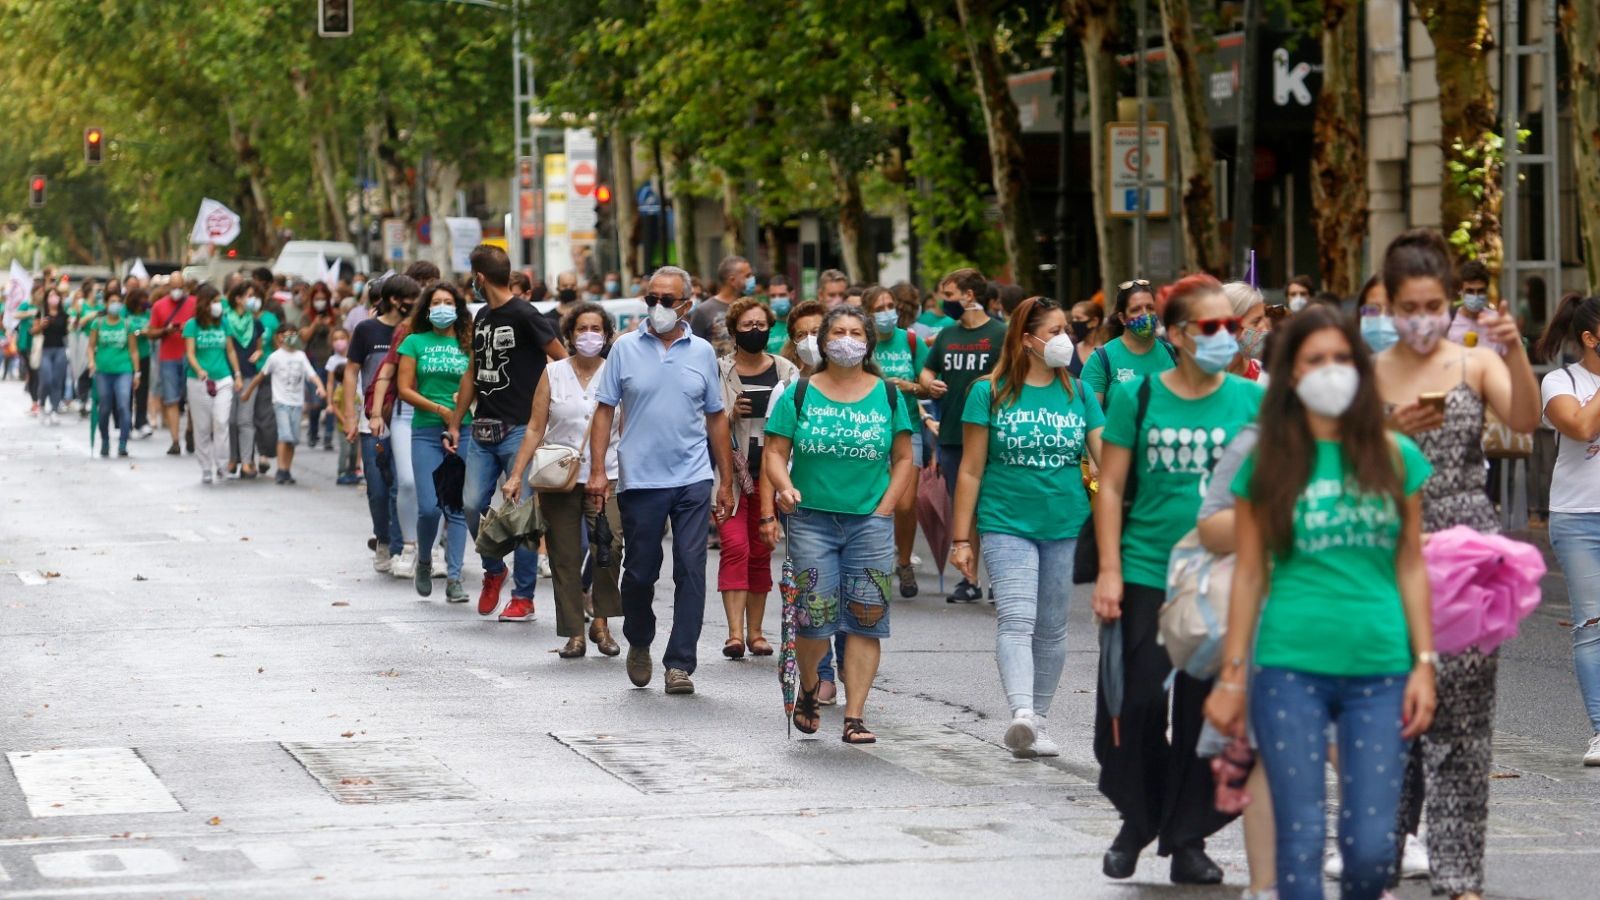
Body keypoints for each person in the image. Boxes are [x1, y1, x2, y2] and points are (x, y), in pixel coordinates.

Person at [1205, 305, 1438, 900]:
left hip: (1382, 670)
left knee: (1369, 851)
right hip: (1289, 669)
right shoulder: (1270, 461)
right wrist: (1233, 677)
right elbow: (1251, 574)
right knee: (1301, 844)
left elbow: (1410, 563)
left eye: (1341, 358)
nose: (1331, 370)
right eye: (1315, 360)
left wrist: (1425, 664)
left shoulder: (1395, 457)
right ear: (1291, 375)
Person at [1373, 229, 1538, 900]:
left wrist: (1515, 346)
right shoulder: (1367, 374)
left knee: (1462, 730)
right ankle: (1376, 861)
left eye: (1434, 304)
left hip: (1464, 557)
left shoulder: (1473, 364)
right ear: (1387, 305)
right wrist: (1388, 434)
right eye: (1409, 306)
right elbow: (1331, 463)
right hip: (1384, 552)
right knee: (1385, 722)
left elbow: (1524, 418)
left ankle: (1458, 875)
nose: (1422, 319)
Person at [1092, 273, 1264, 885]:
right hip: (1145, 569)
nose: (1227, 337)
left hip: (1224, 578)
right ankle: (1138, 820)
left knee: (1204, 713)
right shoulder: (1135, 396)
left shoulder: (1253, 401)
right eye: (1212, 326)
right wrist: (1109, 571)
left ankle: (1187, 838)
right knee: (1130, 706)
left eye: (1234, 326)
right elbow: (1111, 486)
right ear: (1177, 335)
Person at [950, 297, 1103, 758]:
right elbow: (971, 470)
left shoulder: (1080, 393)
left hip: (1066, 524)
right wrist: (962, 538)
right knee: (1017, 619)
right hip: (1005, 522)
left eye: (1067, 332)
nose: (1065, 340)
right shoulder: (989, 391)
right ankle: (1020, 713)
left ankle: (1038, 719)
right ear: (1026, 339)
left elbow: (1107, 461)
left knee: (1052, 629)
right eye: (1054, 331)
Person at [761, 304, 915, 743]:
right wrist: (785, 487)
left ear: (867, 343)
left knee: (866, 620)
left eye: (855, 332)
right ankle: (809, 688)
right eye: (839, 332)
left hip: (870, 522)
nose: (847, 339)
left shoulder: (888, 394)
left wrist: (885, 507)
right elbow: (773, 451)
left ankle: (855, 714)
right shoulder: (800, 392)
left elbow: (904, 458)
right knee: (815, 620)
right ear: (823, 341)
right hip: (811, 520)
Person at [587, 265, 736, 696]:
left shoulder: (703, 352)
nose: (657, 307)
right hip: (640, 480)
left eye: (666, 300)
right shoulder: (624, 349)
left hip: (691, 478)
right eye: (651, 299)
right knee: (638, 573)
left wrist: (724, 481)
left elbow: (716, 418)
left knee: (691, 568)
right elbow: (603, 410)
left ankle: (680, 664)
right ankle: (640, 639)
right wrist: (598, 469)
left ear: (686, 305)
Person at [506, 302, 624, 656]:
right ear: (570, 336)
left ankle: (601, 622)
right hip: (559, 478)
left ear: (606, 336)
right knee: (564, 555)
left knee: (610, 548)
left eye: (597, 329)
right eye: (582, 329)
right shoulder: (553, 373)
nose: (589, 335)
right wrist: (516, 475)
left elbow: (630, 425)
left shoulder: (616, 373)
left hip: (609, 475)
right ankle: (573, 632)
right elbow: (534, 427)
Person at [460, 244, 567, 621]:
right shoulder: (485, 315)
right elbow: (474, 370)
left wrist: (556, 407)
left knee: (523, 518)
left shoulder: (525, 314)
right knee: (472, 504)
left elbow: (561, 357)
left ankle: (523, 597)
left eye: (472, 275)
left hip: (521, 429)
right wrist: (457, 418)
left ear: (480, 277)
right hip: (482, 429)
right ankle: (494, 570)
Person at [1534, 294, 1600, 766]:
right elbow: (1579, 427)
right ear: (1590, 338)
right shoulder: (1561, 381)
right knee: (1592, 627)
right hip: (1579, 519)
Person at [716, 297, 799, 659]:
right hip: (730, 477)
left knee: (761, 551)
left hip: (771, 474)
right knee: (736, 547)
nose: (755, 331)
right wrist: (731, 413)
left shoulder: (786, 371)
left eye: (761, 325)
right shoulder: (719, 370)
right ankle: (734, 634)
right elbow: (705, 420)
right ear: (734, 331)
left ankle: (756, 633)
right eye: (747, 326)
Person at [918, 268, 1007, 604]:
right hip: (954, 433)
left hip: (994, 434)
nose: (945, 301)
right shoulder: (946, 334)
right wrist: (929, 382)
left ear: (970, 296)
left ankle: (1000, 579)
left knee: (993, 507)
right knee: (963, 507)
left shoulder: (1001, 334)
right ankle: (969, 579)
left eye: (951, 295)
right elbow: (928, 368)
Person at [397, 282, 474, 601]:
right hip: (427, 431)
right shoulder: (414, 342)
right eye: (436, 302)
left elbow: (482, 382)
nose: (442, 307)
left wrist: (465, 405)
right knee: (429, 508)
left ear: (457, 308)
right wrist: (441, 409)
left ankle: (455, 578)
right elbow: (404, 389)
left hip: (465, 430)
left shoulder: (469, 343)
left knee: (457, 507)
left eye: (448, 302)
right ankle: (425, 560)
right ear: (427, 310)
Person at [348, 274, 417, 573]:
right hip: (371, 424)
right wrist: (352, 415)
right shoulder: (366, 330)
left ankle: (401, 548)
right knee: (377, 487)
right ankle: (384, 539)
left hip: (405, 419)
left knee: (401, 485)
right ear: (392, 300)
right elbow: (351, 372)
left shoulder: (414, 331)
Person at [866, 286, 931, 598]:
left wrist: (911, 386)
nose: (887, 312)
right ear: (868, 313)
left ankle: (904, 561)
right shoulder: (861, 343)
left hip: (908, 428)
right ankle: (872, 562)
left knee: (906, 503)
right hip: (869, 429)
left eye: (890, 305)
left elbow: (928, 385)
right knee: (875, 500)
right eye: (879, 307)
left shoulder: (910, 340)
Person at [240, 328, 324, 485]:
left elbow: (311, 374)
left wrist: (321, 387)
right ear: (279, 337)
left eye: (293, 334)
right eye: (287, 335)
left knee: (292, 439)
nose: (291, 338)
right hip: (280, 402)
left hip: (297, 403)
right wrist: (248, 392)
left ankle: (287, 469)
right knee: (284, 435)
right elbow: (260, 376)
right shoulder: (274, 357)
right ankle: (280, 469)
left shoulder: (300, 356)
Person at [1082, 279, 1176, 406]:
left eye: (1150, 308)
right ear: (1122, 318)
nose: (1145, 314)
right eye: (1136, 309)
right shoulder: (1101, 359)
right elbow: (1092, 418)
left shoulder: (1172, 353)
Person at [183, 286, 242, 484]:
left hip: (223, 378)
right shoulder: (192, 325)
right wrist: (199, 369)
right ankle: (206, 466)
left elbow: (231, 351)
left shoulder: (224, 323)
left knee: (221, 421)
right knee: (202, 426)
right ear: (205, 303)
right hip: (198, 381)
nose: (219, 305)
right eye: (215, 301)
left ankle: (223, 466)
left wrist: (237, 374)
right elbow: (190, 352)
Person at [86, 291, 139, 457]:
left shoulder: (127, 325)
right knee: (104, 408)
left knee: (123, 404)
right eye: (112, 301)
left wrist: (137, 372)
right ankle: (105, 440)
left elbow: (133, 350)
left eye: (118, 301)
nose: (115, 304)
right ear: (106, 304)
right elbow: (90, 346)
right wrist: (91, 361)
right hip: (103, 371)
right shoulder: (98, 323)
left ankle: (123, 442)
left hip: (124, 370)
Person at [148, 274, 195, 455]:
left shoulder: (194, 303)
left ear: (184, 287)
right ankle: (175, 440)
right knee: (171, 399)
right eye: (174, 286)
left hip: (190, 357)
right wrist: (165, 331)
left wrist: (188, 328)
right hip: (168, 357)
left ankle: (190, 430)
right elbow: (151, 332)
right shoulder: (159, 306)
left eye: (180, 286)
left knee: (192, 398)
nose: (177, 290)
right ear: (169, 287)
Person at [223, 282, 264, 478]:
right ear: (238, 298)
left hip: (249, 374)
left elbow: (259, 345)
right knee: (230, 420)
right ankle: (233, 458)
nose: (252, 299)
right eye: (248, 295)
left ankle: (247, 462)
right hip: (227, 375)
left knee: (245, 420)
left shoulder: (255, 322)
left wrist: (259, 352)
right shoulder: (225, 320)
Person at [299, 281, 338, 450]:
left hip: (330, 361)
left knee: (331, 400)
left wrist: (330, 326)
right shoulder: (306, 316)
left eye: (323, 299)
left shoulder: (334, 316)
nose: (320, 302)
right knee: (316, 403)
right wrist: (315, 323)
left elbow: (338, 339)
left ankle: (328, 436)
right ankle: (313, 431)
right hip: (313, 361)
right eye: (317, 299)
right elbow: (304, 337)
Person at [690, 255, 750, 354]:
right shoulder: (704, 310)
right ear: (732, 280)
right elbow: (694, 350)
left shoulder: (751, 307)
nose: (752, 279)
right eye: (747, 276)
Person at [1445, 260, 1503, 354]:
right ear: (1461, 291)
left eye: (1480, 291)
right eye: (1470, 291)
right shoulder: (1448, 322)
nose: (1475, 296)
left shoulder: (1496, 322)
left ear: (1486, 291)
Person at [32, 289, 70, 424]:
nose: (54, 298)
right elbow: (33, 331)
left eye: (56, 295)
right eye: (51, 295)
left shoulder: (64, 315)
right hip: (45, 350)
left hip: (60, 350)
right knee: (46, 379)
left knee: (57, 381)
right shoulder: (41, 313)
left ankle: (54, 409)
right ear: (47, 298)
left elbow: (67, 332)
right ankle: (41, 405)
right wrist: (41, 325)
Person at [327, 328, 359, 485]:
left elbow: (359, 405)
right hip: (342, 426)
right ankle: (341, 472)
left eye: (342, 337)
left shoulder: (356, 392)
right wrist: (344, 419)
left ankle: (352, 471)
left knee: (354, 451)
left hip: (356, 424)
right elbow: (334, 402)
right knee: (345, 450)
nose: (339, 341)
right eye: (336, 338)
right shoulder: (340, 390)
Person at [1221, 281, 1269, 380]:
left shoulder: (1265, 376)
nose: (1265, 329)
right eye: (1256, 322)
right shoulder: (1200, 381)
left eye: (1264, 320)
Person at [124, 289, 154, 437]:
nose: (145, 302)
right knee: (126, 391)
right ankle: (126, 422)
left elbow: (151, 328)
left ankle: (141, 421)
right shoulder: (126, 313)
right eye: (142, 299)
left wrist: (146, 332)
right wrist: (137, 332)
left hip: (144, 354)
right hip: (127, 356)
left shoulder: (147, 314)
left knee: (142, 389)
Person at [779, 301, 826, 375]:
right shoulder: (790, 384)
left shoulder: (846, 380)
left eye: (815, 332)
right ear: (794, 341)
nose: (809, 339)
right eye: (801, 335)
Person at [1066, 300, 1105, 378]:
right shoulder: (1069, 349)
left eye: (1078, 318)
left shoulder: (1109, 349)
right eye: (1073, 318)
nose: (1074, 322)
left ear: (1094, 321)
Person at [765, 275, 794, 354]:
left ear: (792, 295)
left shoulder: (801, 321)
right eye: (773, 296)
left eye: (782, 295)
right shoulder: (765, 325)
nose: (777, 299)